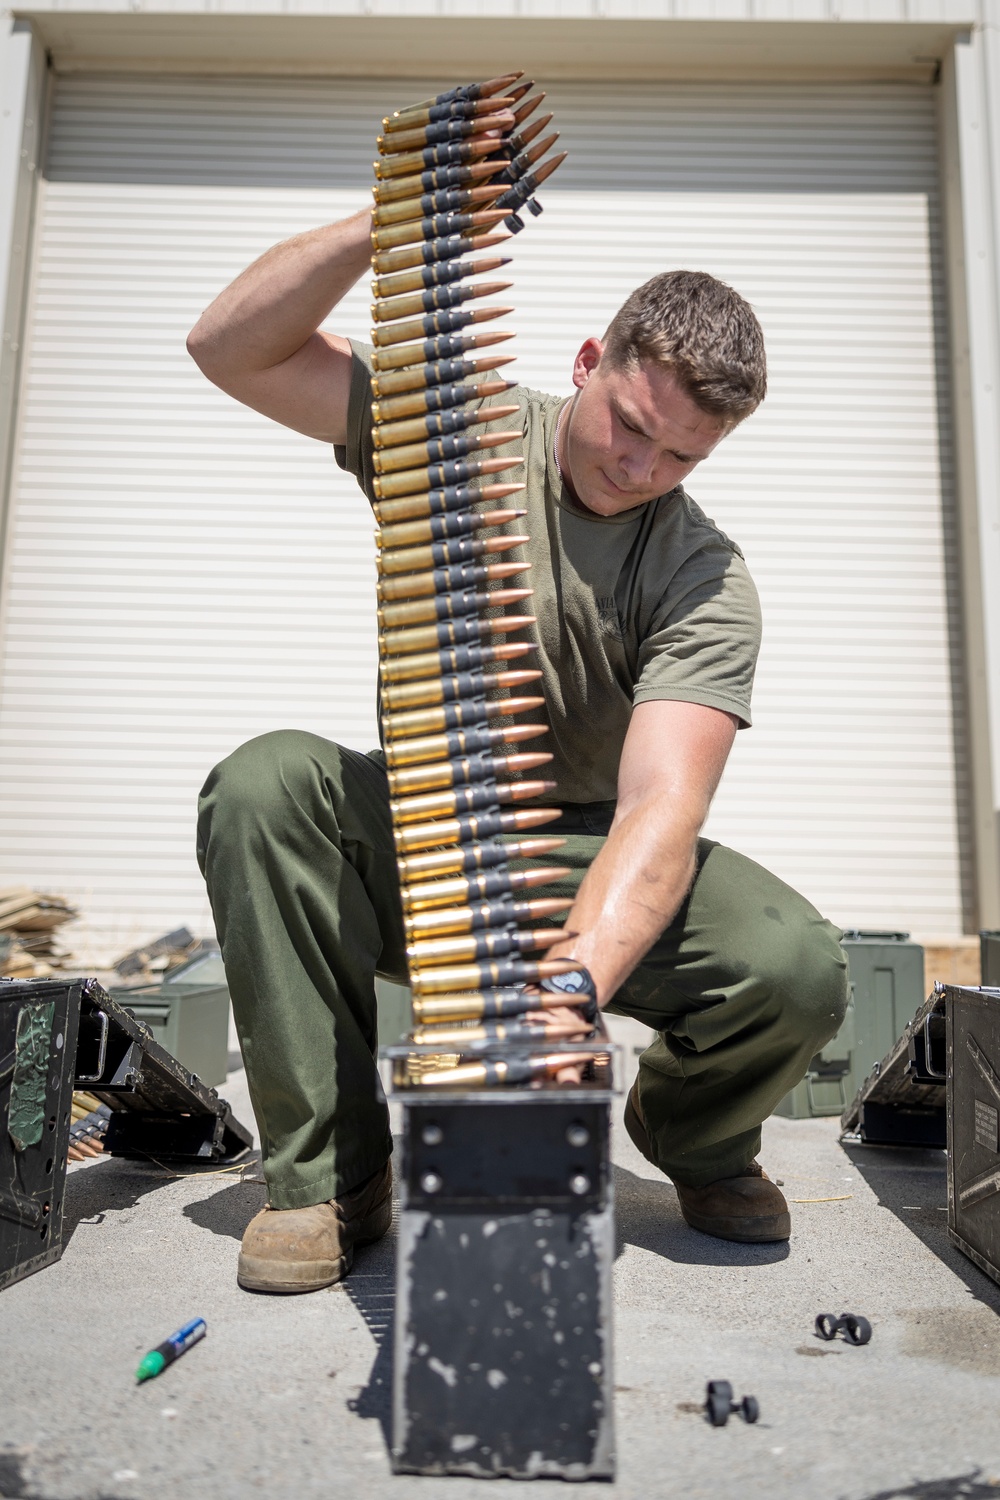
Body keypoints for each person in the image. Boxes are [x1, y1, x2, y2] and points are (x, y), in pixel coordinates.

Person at [187, 204, 848, 1295]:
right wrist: (400, 220)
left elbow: (658, 812)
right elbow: (231, 347)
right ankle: (333, 1178)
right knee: (265, 784)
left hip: (583, 858)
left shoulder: (705, 578)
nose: (641, 467)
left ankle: (695, 1141)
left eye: (681, 453)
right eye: (630, 425)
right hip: (424, 838)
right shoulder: (461, 431)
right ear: (589, 360)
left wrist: (570, 989)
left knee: (793, 967)